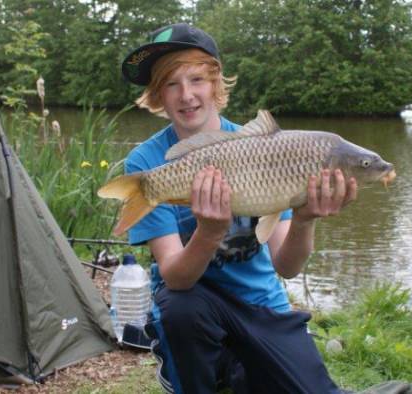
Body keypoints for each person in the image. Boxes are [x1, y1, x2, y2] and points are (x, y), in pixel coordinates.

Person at [121, 23, 357, 394]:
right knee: (180, 307)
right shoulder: (146, 164)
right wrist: (210, 233)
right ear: (157, 96)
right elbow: (175, 278)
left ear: (216, 83)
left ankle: (239, 370)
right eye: (171, 84)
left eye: (197, 79)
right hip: (192, 301)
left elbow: (286, 265)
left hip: (261, 302)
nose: (186, 95)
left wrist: (305, 218)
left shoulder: (268, 147)